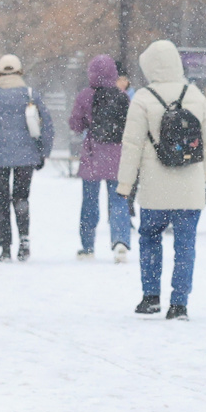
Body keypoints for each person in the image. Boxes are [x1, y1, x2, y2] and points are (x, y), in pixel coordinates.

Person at [117, 40, 206, 320]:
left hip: (154, 187)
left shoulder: (143, 98)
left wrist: (125, 184)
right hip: (190, 187)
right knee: (185, 244)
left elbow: (132, 145)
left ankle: (151, 297)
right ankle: (179, 303)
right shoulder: (195, 95)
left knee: (150, 237)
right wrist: (202, 173)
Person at [0, 55, 54, 262]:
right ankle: (24, 241)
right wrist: (43, 151)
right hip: (26, 157)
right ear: (20, 72)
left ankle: (5, 247)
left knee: (1, 202)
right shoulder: (31, 95)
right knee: (21, 198)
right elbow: (47, 125)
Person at [69, 54, 132, 261]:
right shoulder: (123, 96)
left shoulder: (85, 96)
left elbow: (76, 125)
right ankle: (121, 240)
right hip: (118, 156)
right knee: (119, 200)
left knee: (89, 202)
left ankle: (87, 246)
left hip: (93, 155)